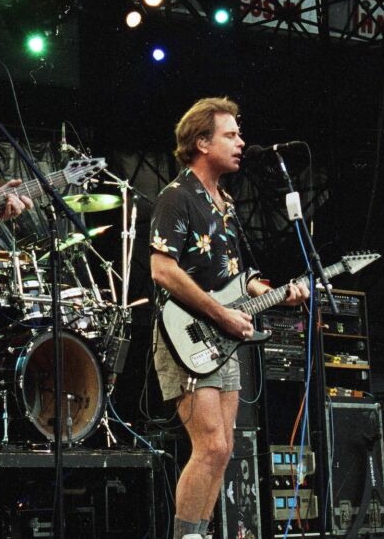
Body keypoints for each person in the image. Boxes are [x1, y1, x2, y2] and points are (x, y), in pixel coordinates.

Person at [149, 97, 310, 539]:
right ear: (202, 142)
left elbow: (241, 278)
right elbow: (162, 269)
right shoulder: (177, 197)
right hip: (186, 335)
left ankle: (198, 533)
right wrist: (221, 312)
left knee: (224, 450)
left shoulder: (227, 204)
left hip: (223, 337)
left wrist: (278, 294)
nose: (241, 142)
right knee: (212, 445)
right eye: (231, 134)